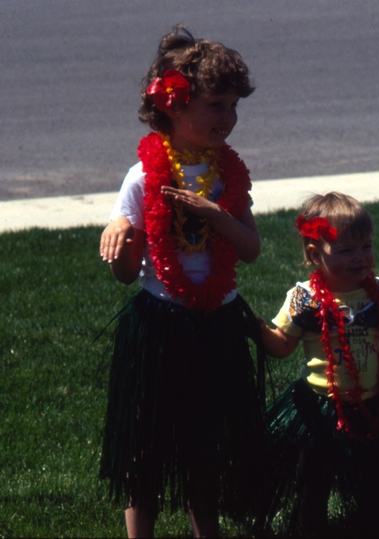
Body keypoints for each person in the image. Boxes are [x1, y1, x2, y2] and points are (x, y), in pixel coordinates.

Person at [97, 25, 266, 538]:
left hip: (217, 319)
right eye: (216, 105)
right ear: (172, 105)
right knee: (145, 446)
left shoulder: (230, 174)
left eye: (234, 106)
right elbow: (128, 276)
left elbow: (251, 250)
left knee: (206, 442)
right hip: (161, 323)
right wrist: (122, 244)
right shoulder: (144, 177)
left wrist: (218, 215)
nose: (228, 118)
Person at [257, 192, 379, 537]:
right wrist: (258, 329)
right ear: (314, 255)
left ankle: (376, 521)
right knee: (315, 479)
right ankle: (311, 527)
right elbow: (282, 345)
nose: (360, 258)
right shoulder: (305, 298)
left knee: (376, 477)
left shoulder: (376, 292)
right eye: (346, 250)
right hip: (321, 408)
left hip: (372, 404)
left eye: (366, 247)